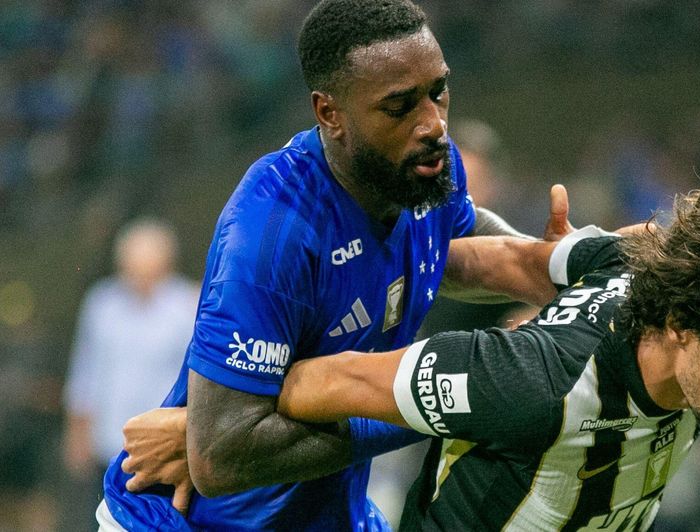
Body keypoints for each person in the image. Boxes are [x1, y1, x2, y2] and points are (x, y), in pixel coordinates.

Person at [98, 0, 573, 530]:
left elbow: (453, 240)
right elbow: (221, 456)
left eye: (438, 91)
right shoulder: (271, 233)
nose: (433, 123)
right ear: (330, 114)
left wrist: (549, 265)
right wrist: (445, 399)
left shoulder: (419, 168)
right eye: (399, 106)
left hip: (331, 516)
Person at [275, 181, 700, 531]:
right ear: (681, 325)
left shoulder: (635, 262)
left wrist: (560, 282)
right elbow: (326, 382)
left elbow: (519, 260)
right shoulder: (532, 382)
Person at [63, 218, 198, 529]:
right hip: (109, 440)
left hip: (160, 446)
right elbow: (86, 371)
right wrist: (77, 432)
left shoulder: (187, 305)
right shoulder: (102, 303)